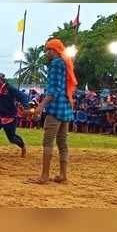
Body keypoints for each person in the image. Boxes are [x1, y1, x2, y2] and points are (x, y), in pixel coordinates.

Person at [30, 38, 77, 184]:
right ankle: (63, 175)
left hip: (55, 108)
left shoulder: (55, 64)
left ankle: (44, 176)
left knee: (48, 142)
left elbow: (53, 90)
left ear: (54, 51)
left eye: (47, 51)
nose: (45, 54)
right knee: (62, 143)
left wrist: (41, 106)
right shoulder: (65, 63)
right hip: (66, 107)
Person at [0, 72, 29, 157]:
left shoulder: (10, 89)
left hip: (10, 118)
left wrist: (25, 106)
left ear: (2, 80)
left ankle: (23, 146)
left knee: (12, 138)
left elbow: (23, 96)